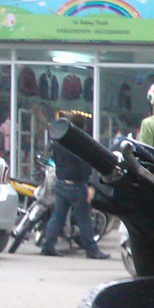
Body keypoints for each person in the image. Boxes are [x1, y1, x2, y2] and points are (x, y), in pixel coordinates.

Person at [40, 111, 109, 259]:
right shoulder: (79, 145)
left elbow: (54, 159)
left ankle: (48, 245)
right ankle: (91, 250)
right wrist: (90, 185)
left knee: (58, 217)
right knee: (84, 219)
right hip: (76, 186)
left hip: (60, 183)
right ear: (83, 127)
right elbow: (85, 167)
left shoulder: (59, 142)